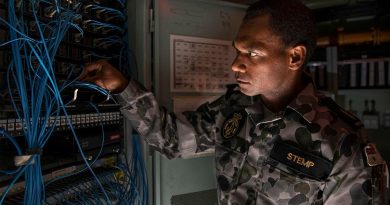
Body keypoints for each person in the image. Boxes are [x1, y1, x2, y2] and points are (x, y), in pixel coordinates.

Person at [80, 0, 389, 204]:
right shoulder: (234, 108)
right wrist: (121, 86)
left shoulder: (342, 142)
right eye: (238, 52)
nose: (236, 65)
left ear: (294, 56)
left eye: (252, 54)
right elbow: (172, 140)